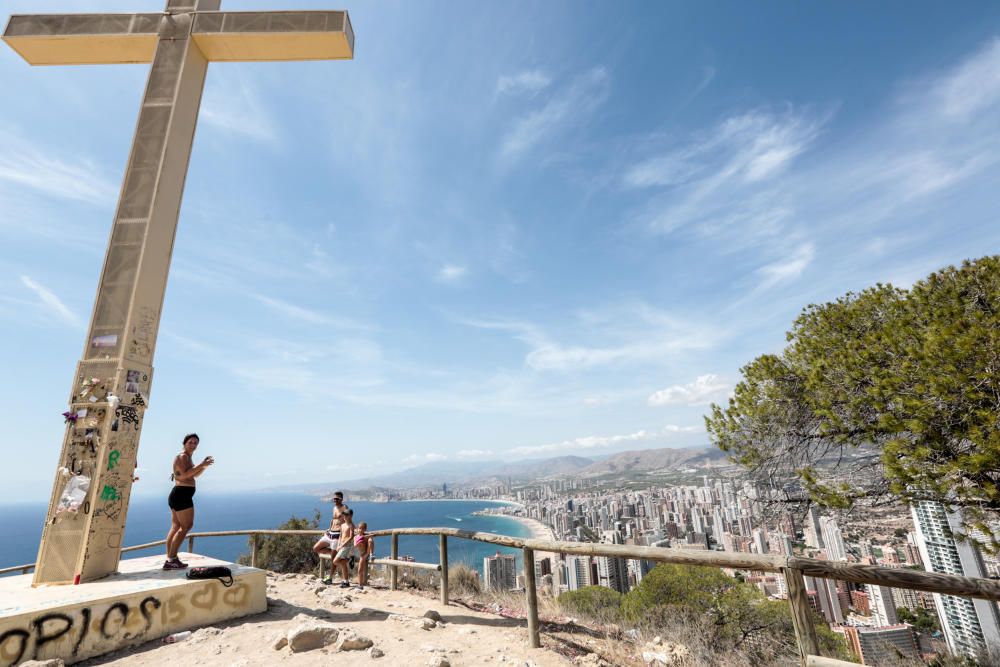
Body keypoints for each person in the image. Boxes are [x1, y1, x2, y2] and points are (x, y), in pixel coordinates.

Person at [164, 433, 213, 570]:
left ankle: (170, 558)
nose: (193, 445)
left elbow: (194, 474)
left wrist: (203, 466)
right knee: (186, 526)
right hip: (181, 496)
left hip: (179, 495)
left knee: (175, 527)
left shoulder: (188, 458)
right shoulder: (182, 457)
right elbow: (183, 476)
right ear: (184, 443)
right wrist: (201, 464)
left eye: (195, 443)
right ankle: (171, 559)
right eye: (191, 442)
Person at [313, 491, 348, 584]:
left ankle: (330, 578)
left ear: (341, 499)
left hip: (337, 535)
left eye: (337, 498)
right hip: (330, 533)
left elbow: (348, 521)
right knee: (316, 548)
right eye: (334, 498)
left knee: (333, 559)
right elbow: (333, 519)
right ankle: (339, 556)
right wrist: (328, 528)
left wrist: (349, 531)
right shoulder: (334, 508)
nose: (335, 500)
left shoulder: (345, 508)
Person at [331, 509, 355, 588]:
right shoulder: (342, 525)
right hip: (342, 545)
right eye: (344, 514)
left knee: (335, 561)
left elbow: (351, 537)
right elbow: (340, 536)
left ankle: (349, 560)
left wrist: (342, 545)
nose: (344, 516)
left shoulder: (351, 525)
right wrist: (338, 545)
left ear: (350, 516)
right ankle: (346, 581)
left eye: (346, 515)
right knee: (343, 563)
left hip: (347, 546)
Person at [353, 521, 374, 590]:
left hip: (365, 553)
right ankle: (360, 584)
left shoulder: (366, 537)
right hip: (360, 554)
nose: (360, 530)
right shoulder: (356, 537)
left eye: (362, 528)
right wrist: (363, 537)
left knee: (370, 540)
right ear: (357, 529)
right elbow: (355, 545)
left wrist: (365, 537)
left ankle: (371, 555)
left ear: (365, 529)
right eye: (359, 528)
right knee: (359, 570)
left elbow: (372, 536)